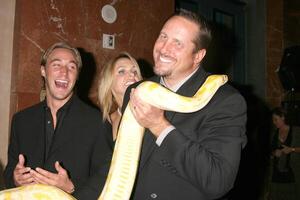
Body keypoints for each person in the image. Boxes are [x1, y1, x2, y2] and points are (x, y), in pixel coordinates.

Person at [122, 9, 247, 199]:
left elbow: (218, 180)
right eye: (163, 36)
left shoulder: (225, 101)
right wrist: (74, 188)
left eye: (177, 43)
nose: (164, 48)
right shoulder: (137, 91)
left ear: (198, 56)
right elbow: (119, 161)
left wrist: (159, 126)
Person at [3, 42, 112, 199]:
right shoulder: (21, 120)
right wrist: (15, 178)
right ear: (43, 71)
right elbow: (9, 172)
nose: (64, 73)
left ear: (77, 75)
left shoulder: (97, 122)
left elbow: (106, 179)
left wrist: (71, 187)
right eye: (56, 65)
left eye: (71, 67)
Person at [98, 52, 142, 147]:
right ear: (109, 82)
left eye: (135, 72)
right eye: (122, 71)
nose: (131, 75)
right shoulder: (106, 122)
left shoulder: (150, 112)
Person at [269, 107, 300, 200]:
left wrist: (292, 149)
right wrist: (274, 153)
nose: (274, 122)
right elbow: (268, 151)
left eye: (276, 119)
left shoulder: (296, 131)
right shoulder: (273, 132)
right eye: (273, 120)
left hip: (292, 175)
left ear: (283, 117)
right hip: (275, 175)